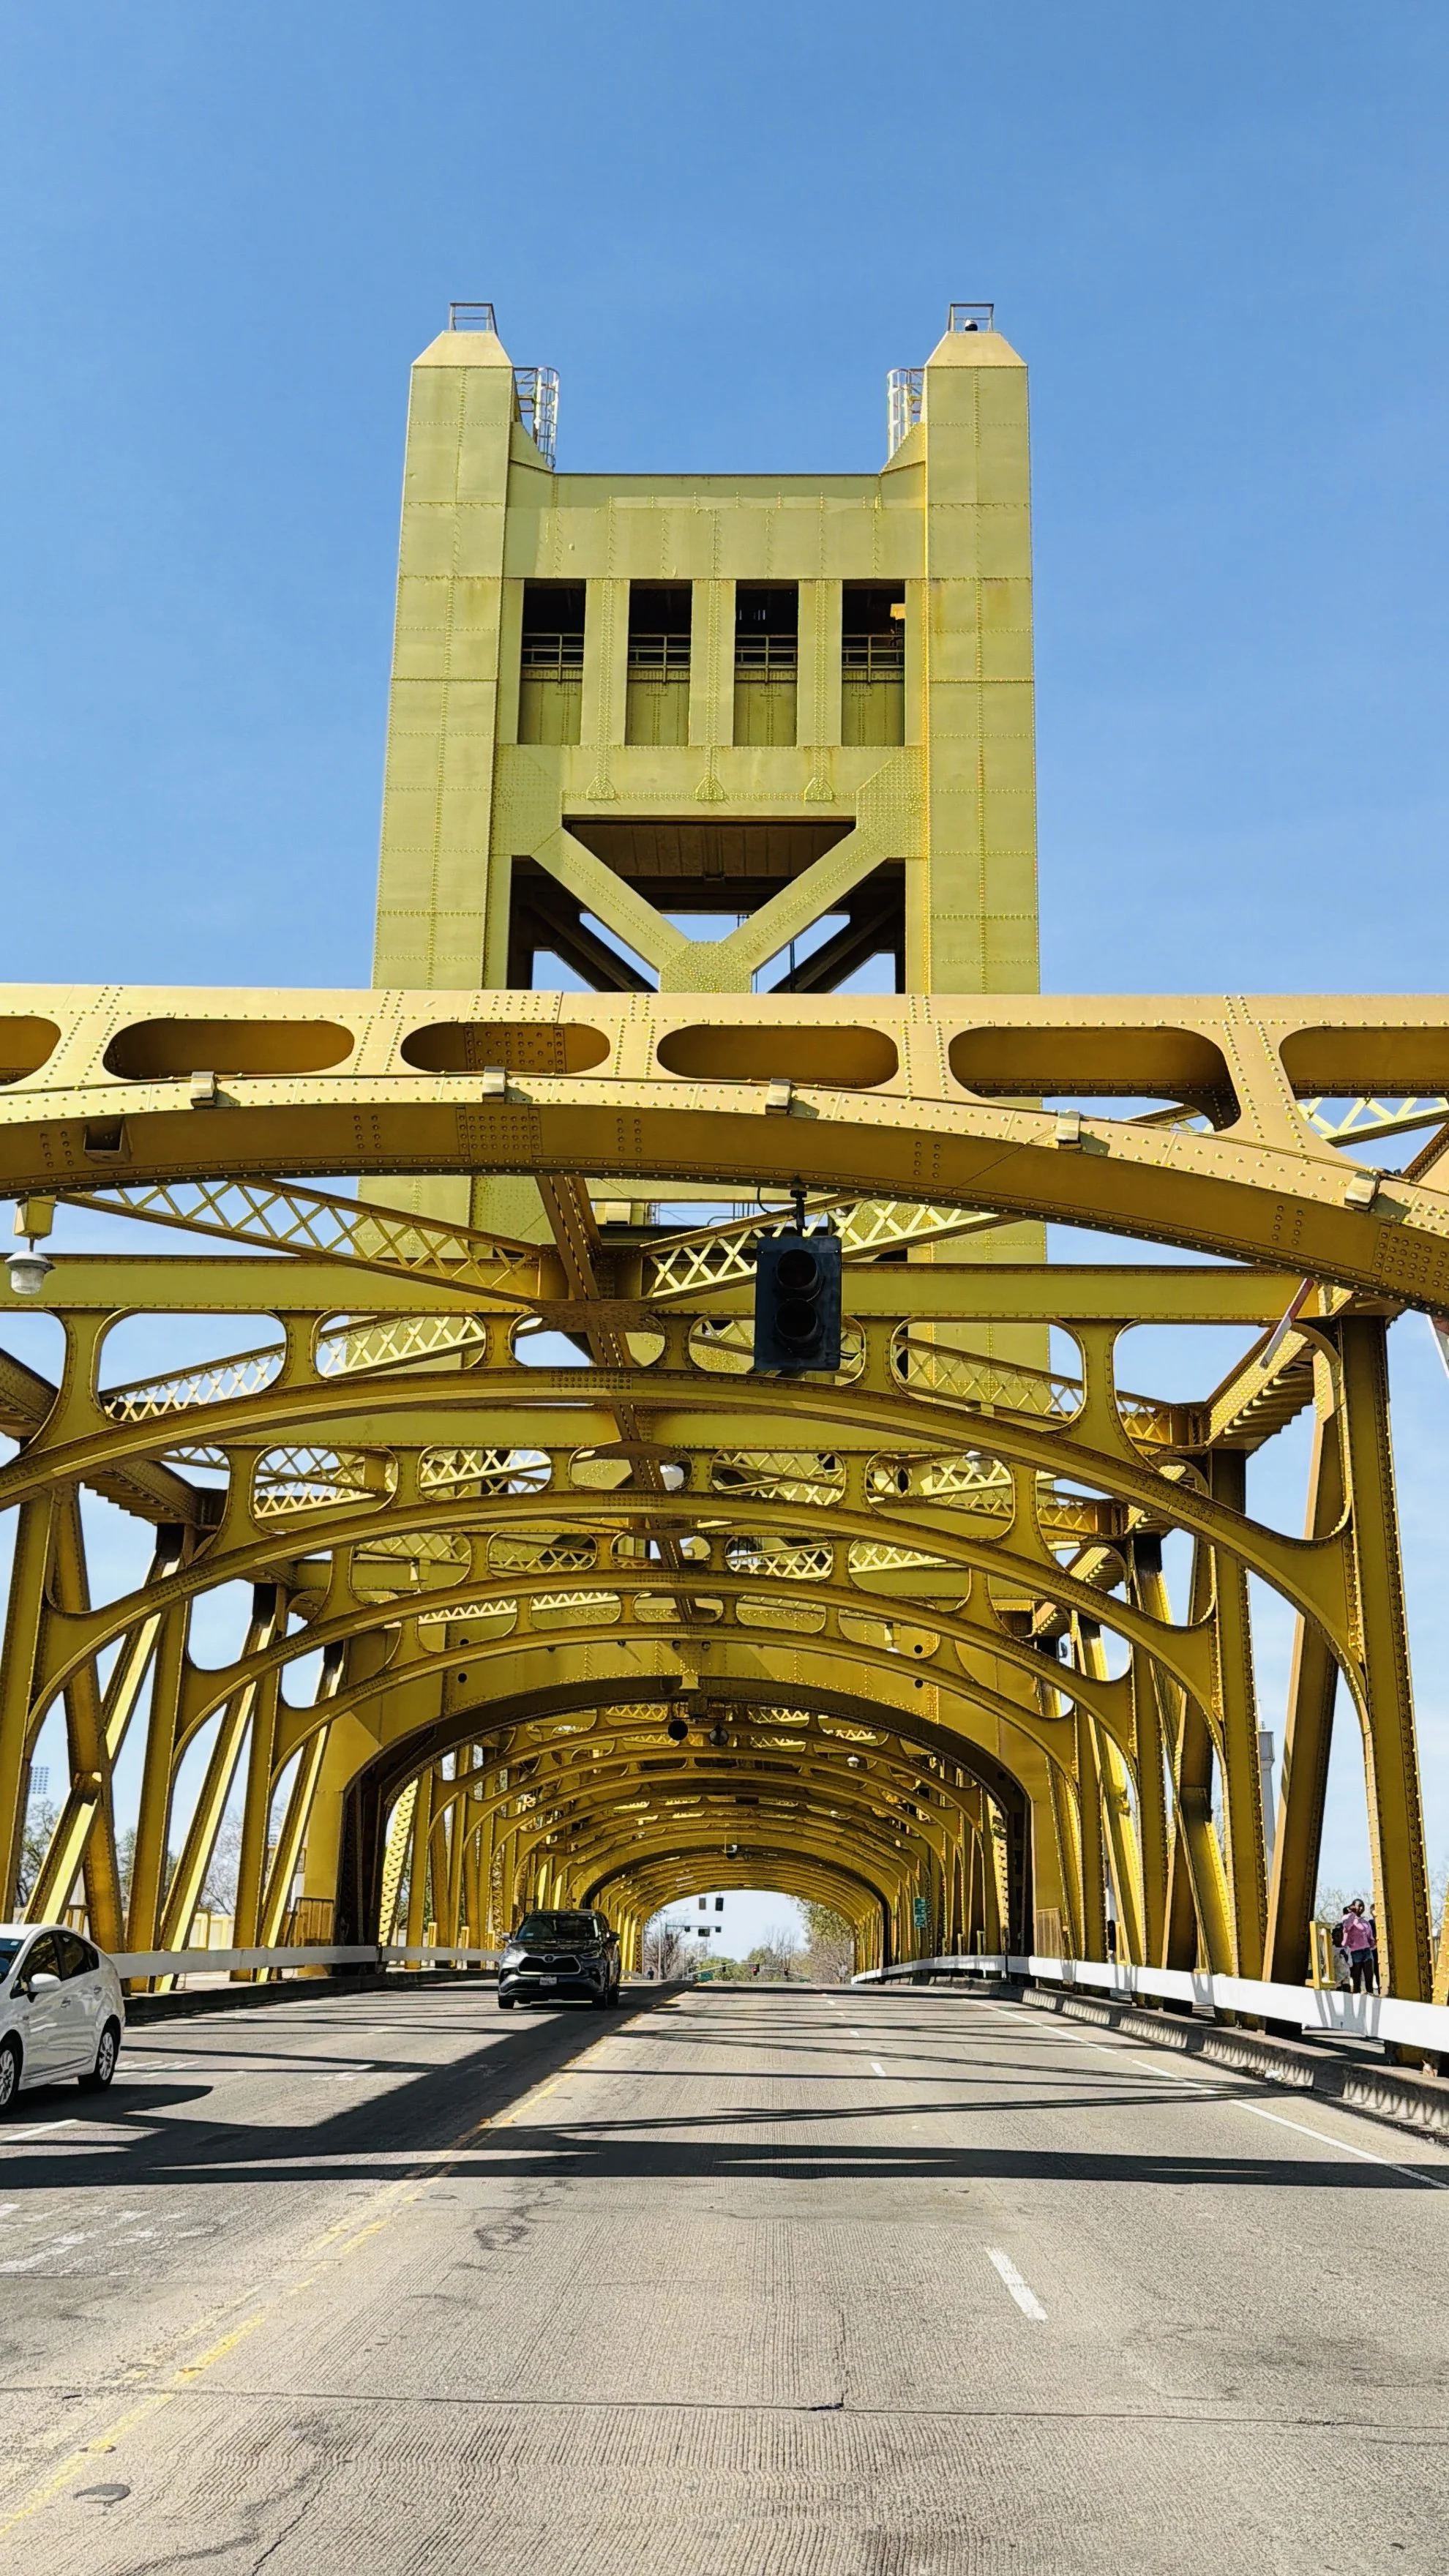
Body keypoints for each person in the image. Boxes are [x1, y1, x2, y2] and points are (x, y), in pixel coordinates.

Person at [1338, 1898, 1377, 1993]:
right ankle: (1356, 1995)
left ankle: (1371, 1994)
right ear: (1353, 1906)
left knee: (1369, 1976)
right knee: (1357, 1979)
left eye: (1362, 1905)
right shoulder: (1347, 1918)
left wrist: (1373, 1944)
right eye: (1359, 1905)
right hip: (1355, 1952)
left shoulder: (1365, 1922)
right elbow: (1347, 1927)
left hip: (1367, 1951)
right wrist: (1352, 1914)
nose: (1361, 1907)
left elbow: (1369, 1936)